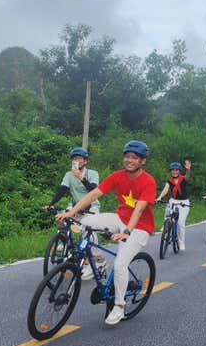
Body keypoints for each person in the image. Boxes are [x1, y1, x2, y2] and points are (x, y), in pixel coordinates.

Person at [57, 140, 156, 326]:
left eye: (134, 158)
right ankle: (96, 261)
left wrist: (127, 231)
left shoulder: (148, 181)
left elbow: (140, 208)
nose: (129, 160)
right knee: (85, 222)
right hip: (119, 218)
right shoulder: (118, 176)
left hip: (139, 227)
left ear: (142, 161)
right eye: (127, 156)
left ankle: (119, 306)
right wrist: (71, 213)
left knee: (120, 265)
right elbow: (93, 195)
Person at [44, 147, 100, 214]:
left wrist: (81, 177)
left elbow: (93, 190)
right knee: (62, 219)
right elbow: (62, 190)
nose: (77, 161)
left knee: (89, 222)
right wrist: (51, 204)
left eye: (79, 158)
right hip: (75, 206)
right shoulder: (69, 175)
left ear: (85, 161)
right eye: (74, 159)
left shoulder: (93, 173)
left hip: (92, 206)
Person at [156, 160, 192, 251]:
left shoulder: (183, 179)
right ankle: (166, 226)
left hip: (184, 202)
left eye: (176, 170)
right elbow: (165, 190)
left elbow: (187, 177)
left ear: (179, 171)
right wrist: (159, 197)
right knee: (168, 211)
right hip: (173, 200)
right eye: (173, 170)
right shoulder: (169, 181)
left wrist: (188, 170)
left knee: (180, 223)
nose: (174, 172)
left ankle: (181, 242)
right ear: (171, 171)